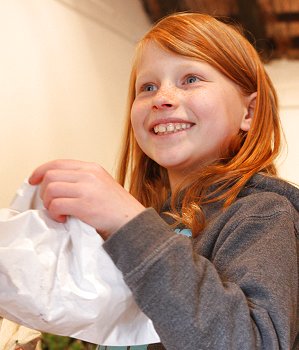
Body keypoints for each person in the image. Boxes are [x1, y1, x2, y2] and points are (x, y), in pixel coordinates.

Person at [27, 12, 298, 350]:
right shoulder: (154, 225)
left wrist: (129, 224)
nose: (162, 98)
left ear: (249, 113)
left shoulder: (263, 215)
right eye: (148, 86)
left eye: (191, 79)